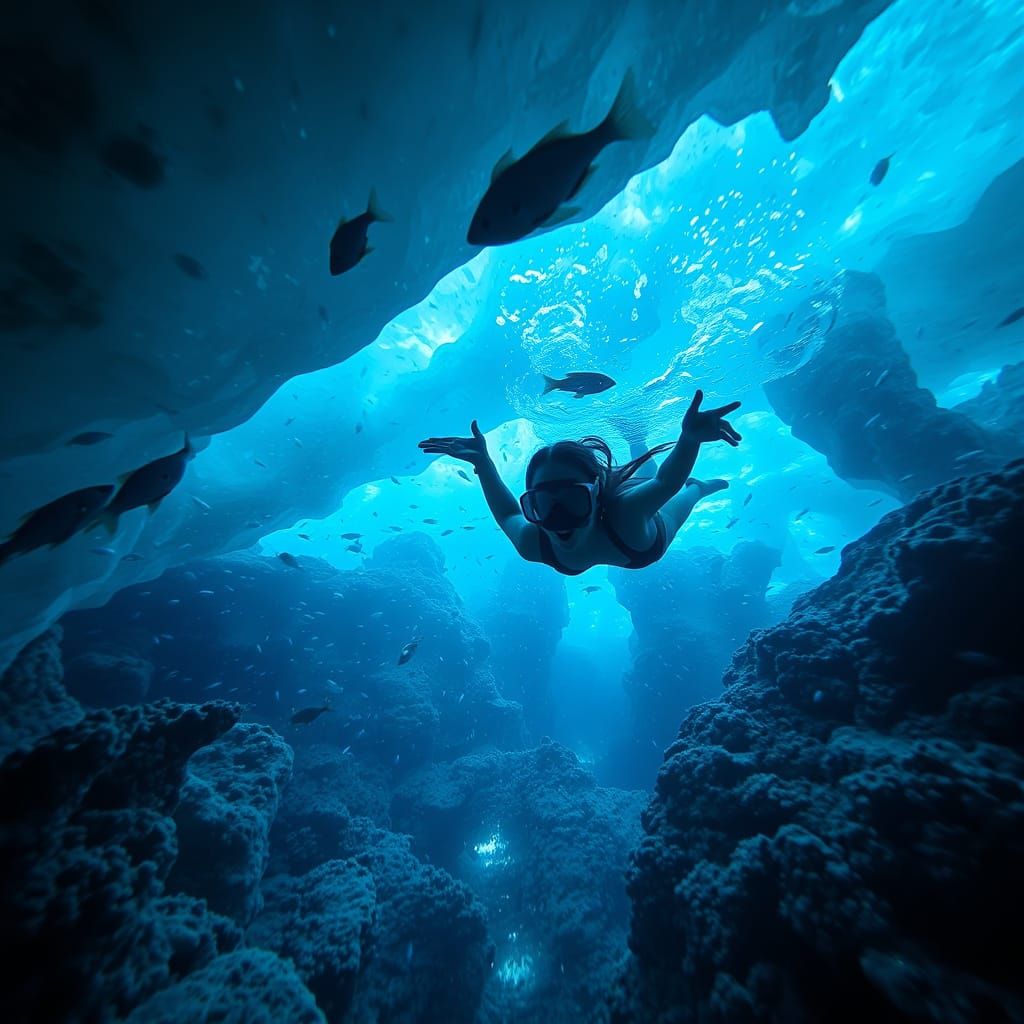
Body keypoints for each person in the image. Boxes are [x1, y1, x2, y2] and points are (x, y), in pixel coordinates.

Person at [418, 390, 741, 575]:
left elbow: (667, 482)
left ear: (596, 492)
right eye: (542, 504)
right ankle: (637, 439)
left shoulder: (624, 513)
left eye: (572, 500)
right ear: (530, 505)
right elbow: (507, 514)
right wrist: (484, 464)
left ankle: (699, 487)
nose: (558, 519)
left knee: (679, 495)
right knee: (646, 481)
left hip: (646, 539)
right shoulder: (535, 540)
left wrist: (689, 439)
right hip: (631, 533)